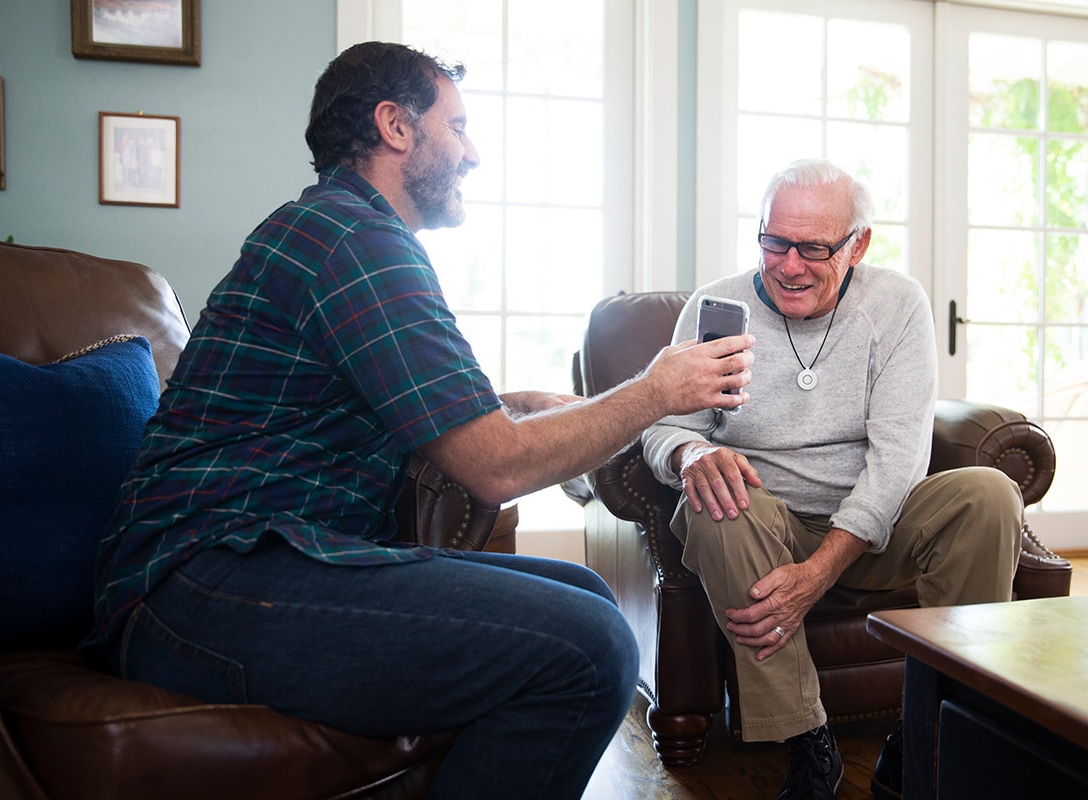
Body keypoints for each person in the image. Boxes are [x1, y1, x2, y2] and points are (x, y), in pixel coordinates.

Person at [80, 42, 755, 800]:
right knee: (591, 645)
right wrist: (655, 391)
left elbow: (367, 399)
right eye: (458, 127)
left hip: (252, 564)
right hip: (197, 586)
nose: (472, 152)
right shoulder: (355, 241)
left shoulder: (340, 230)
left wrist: (512, 402)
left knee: (589, 596)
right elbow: (495, 466)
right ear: (396, 127)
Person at [640, 159, 1023, 800]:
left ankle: (928, 726)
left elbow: (900, 456)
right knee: (716, 501)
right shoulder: (715, 310)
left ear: (858, 245)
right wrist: (689, 455)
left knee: (989, 495)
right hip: (764, 524)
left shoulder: (896, 304)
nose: (789, 265)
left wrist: (817, 573)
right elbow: (661, 426)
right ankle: (806, 743)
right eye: (773, 242)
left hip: (875, 523)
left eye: (813, 248)